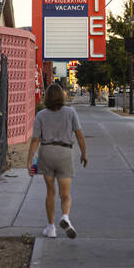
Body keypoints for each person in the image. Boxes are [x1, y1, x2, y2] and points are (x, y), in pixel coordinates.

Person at [27, 83, 88, 238]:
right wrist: (84, 154)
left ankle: (51, 228)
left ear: (46, 97)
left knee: (50, 193)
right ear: (62, 96)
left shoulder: (41, 115)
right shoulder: (70, 112)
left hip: (47, 152)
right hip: (64, 153)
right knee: (65, 194)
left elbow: (35, 140)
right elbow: (79, 135)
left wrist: (29, 161)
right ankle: (65, 217)